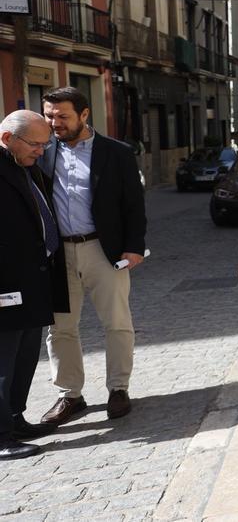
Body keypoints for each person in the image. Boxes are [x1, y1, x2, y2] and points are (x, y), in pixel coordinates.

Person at [38, 87, 146, 425]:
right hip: (58, 254)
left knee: (116, 321)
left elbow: (134, 205)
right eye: (49, 115)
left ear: (85, 115)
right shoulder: (42, 151)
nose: (55, 122)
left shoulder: (116, 153)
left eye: (62, 116)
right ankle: (70, 395)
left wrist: (134, 246)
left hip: (104, 249)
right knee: (60, 328)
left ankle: (118, 388)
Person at [0, 111, 66, 459]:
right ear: (9, 138)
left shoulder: (24, 166)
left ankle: (14, 417)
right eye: (36, 144)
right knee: (2, 364)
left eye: (45, 144)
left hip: (32, 281)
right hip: (6, 285)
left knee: (24, 358)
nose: (42, 151)